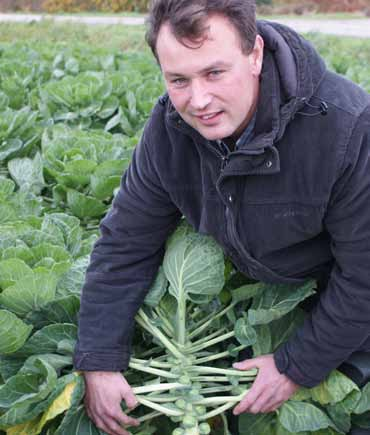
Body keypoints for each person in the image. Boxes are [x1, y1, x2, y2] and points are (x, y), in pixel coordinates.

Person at [73, 1, 370, 434]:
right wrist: (97, 359)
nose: (199, 101)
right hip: (266, 294)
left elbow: (365, 273)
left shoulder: (346, 127)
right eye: (178, 80)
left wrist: (295, 366)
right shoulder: (168, 131)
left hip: (348, 299)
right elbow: (126, 242)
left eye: (214, 73)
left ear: (255, 54)